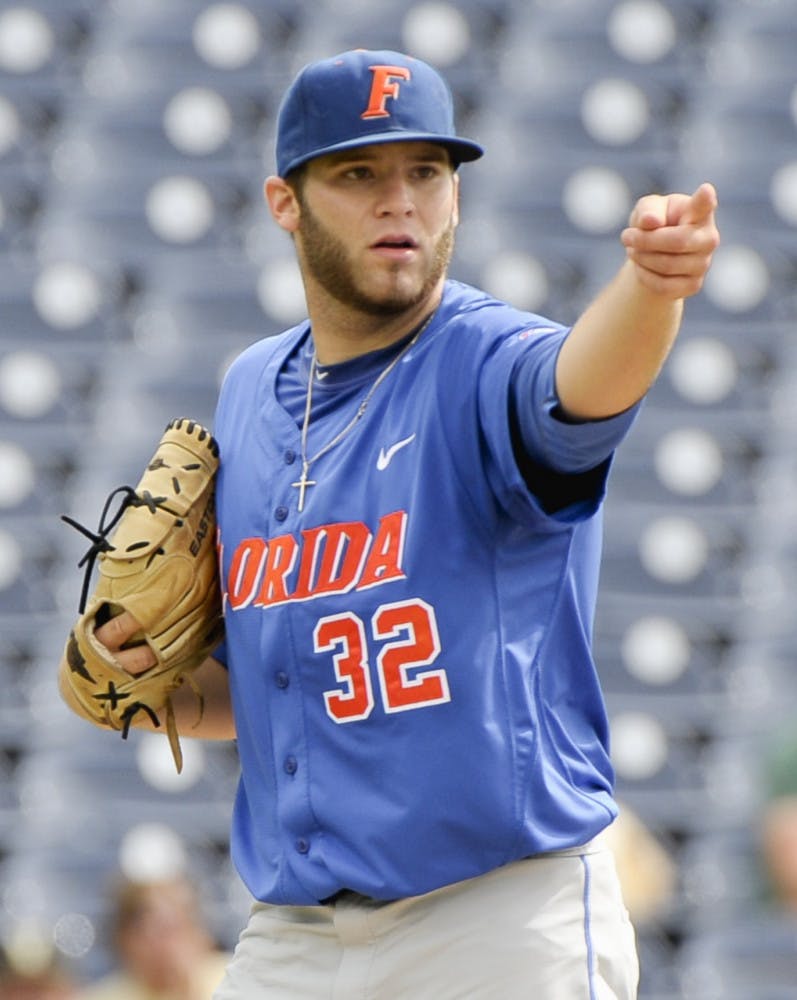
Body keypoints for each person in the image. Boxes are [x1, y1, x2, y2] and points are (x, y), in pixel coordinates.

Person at [60, 49, 719, 998]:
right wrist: (154, 687)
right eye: (357, 173)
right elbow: (278, 681)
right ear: (284, 202)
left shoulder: (486, 360)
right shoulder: (250, 391)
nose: (398, 200)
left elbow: (584, 384)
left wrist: (652, 290)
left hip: (494, 918)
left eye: (426, 172)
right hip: (296, 933)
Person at [78, 875, 229, 1000]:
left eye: (174, 928)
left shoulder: (234, 976)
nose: (165, 945)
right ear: (125, 939)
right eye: (155, 933)